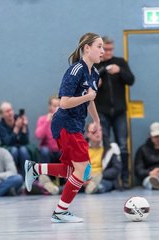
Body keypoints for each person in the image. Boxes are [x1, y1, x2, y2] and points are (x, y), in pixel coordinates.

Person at [24, 32, 104, 223]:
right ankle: (60, 212)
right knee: (83, 170)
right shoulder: (75, 70)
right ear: (87, 48)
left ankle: (36, 169)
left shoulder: (95, 73)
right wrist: (88, 97)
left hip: (76, 123)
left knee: (74, 170)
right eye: (99, 46)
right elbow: (65, 102)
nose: (102, 51)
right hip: (65, 122)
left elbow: (90, 100)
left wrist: (97, 121)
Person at [94, 36, 135, 188]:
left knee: (123, 145)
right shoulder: (94, 64)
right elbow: (88, 85)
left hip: (119, 111)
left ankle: (125, 179)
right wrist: (102, 73)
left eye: (111, 49)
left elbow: (131, 80)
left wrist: (121, 71)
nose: (109, 52)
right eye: (106, 49)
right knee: (105, 145)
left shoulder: (120, 62)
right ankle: (108, 179)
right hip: (102, 112)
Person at [84, 122, 122, 194]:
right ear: (87, 134)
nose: (98, 133)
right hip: (85, 179)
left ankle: (96, 188)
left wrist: (100, 175)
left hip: (102, 178)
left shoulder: (112, 147)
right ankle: (57, 189)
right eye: (94, 131)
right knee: (74, 183)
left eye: (100, 130)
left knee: (107, 183)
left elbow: (116, 169)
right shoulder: (81, 149)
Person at [0, 102, 31, 175]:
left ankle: (28, 178)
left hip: (22, 147)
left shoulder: (19, 119)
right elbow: (7, 142)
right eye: (7, 111)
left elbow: (25, 141)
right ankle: (13, 176)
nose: (10, 113)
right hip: (9, 148)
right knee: (14, 150)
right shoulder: (0, 126)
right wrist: (17, 128)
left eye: (11, 110)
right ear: (1, 115)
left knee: (23, 150)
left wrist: (24, 127)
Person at [35, 95, 61, 164]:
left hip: (60, 151)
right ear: (49, 107)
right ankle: (45, 174)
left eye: (59, 106)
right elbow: (38, 136)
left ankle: (64, 174)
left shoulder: (63, 120)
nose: (57, 108)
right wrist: (47, 121)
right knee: (44, 151)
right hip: (48, 151)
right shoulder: (42, 119)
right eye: (55, 106)